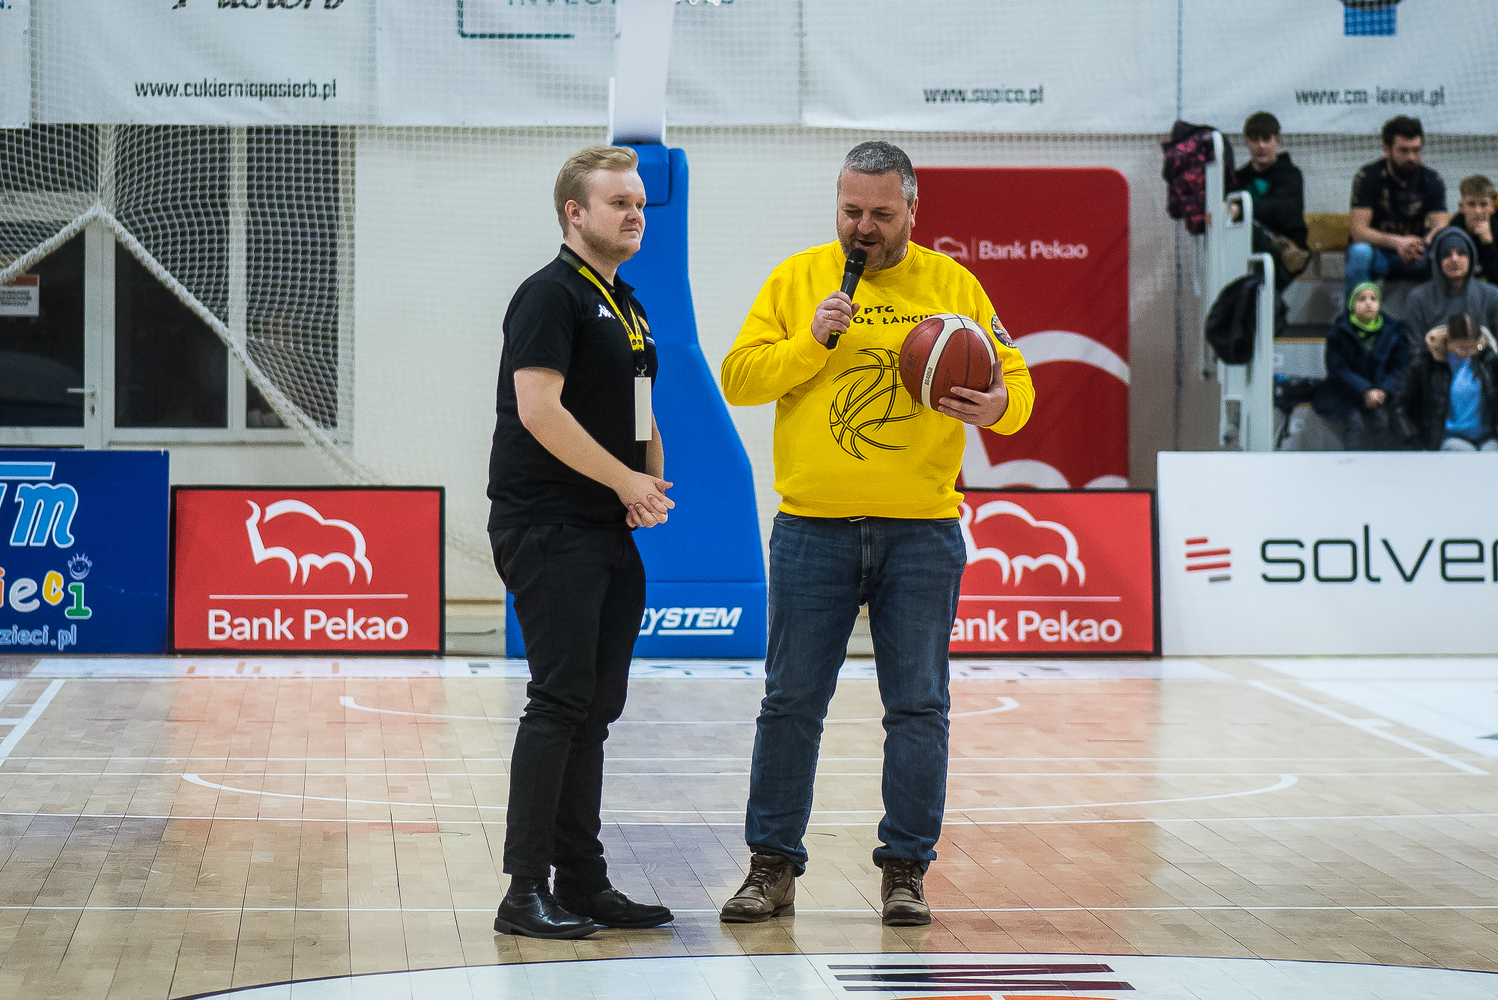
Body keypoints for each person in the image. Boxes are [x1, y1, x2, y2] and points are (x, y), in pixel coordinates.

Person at [717, 141, 1035, 927]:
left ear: (912, 211)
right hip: (811, 531)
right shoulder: (797, 279)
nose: (864, 227)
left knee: (918, 708)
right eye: (851, 211)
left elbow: (1018, 383)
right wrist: (809, 343)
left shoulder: (952, 284)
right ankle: (770, 868)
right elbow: (739, 379)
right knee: (790, 703)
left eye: (881, 214)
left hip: (921, 533)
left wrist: (998, 407)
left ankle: (905, 871)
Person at [486, 145, 676, 939]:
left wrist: (649, 476)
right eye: (618, 202)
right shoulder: (549, 294)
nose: (635, 214)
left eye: (639, 203)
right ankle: (523, 891)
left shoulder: (625, 302)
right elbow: (539, 410)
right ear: (575, 212)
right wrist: (623, 481)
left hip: (602, 523)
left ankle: (583, 882)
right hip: (546, 522)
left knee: (595, 708)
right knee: (560, 700)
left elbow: (638, 405)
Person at [1345, 115, 1450, 298]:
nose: (1411, 157)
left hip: (1416, 255)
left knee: (1448, 254)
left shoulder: (1431, 179)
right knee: (1359, 252)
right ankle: (1356, 316)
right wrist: (1398, 243)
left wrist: (1418, 246)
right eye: (1404, 150)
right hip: (1381, 254)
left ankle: (1444, 316)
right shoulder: (1368, 177)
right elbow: (1358, 231)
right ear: (1387, 150)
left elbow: (1441, 226)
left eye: (1416, 150)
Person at [1312, 282, 1410, 450]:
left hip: (1383, 394)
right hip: (1348, 393)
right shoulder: (1339, 331)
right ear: (1352, 304)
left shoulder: (1394, 331)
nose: (1368, 303)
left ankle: (1386, 464)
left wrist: (1381, 391)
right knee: (1355, 423)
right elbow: (1338, 369)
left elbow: (1399, 368)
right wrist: (1365, 390)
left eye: (1373, 299)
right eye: (1362, 299)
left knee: (1384, 421)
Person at [1396, 312, 1498, 451]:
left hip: (1487, 437)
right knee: (1463, 452)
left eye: (1473, 348)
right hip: (1449, 437)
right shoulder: (1426, 364)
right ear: (1448, 341)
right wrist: (1415, 441)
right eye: (1461, 348)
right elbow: (1400, 405)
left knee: (1491, 453)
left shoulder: (1488, 361)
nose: (1467, 353)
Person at [1230, 111, 1309, 289]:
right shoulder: (1239, 178)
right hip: (1244, 249)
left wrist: (1242, 209)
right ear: (1246, 142)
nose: (1261, 146)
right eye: (1254, 140)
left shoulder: (1291, 175)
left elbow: (1282, 210)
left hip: (1286, 248)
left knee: (1258, 285)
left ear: (1278, 140)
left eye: (1266, 139)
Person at [1402, 227, 1498, 352]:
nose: (1454, 259)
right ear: (1437, 259)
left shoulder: (1492, 295)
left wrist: (1480, 347)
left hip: (1482, 362)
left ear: (1471, 257)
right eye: (1446, 254)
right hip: (1433, 362)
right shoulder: (1418, 298)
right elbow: (1414, 350)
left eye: (1461, 253)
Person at [1448, 175, 1498, 281]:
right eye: (1471, 204)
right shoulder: (1452, 231)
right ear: (1461, 207)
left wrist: (1488, 243)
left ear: (1492, 207)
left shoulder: (1496, 229)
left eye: (1483, 204)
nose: (1478, 211)